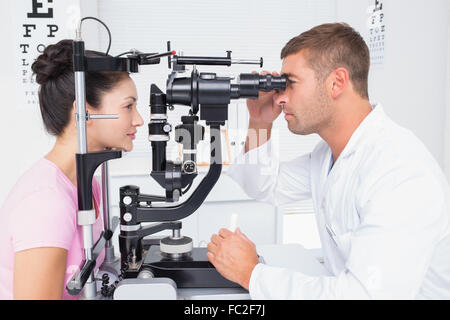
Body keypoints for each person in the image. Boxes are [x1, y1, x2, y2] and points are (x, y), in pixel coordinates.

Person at [206, 23, 450, 299]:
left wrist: (253, 274)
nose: (281, 97)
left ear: (336, 82)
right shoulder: (329, 156)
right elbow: (263, 185)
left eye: (290, 84)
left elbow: (365, 295)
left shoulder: (400, 172)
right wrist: (260, 120)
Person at [0, 39, 144, 299]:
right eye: (128, 106)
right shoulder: (46, 203)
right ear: (84, 114)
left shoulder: (89, 184)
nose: (139, 120)